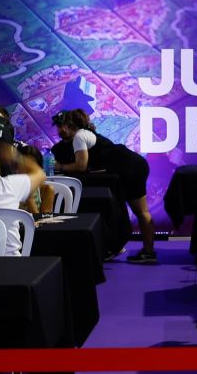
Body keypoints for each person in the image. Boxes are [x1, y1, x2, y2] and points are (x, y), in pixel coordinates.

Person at [54, 108, 158, 264]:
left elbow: (81, 166)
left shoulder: (80, 137)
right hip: (132, 166)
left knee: (141, 211)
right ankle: (138, 249)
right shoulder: (85, 135)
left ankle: (149, 252)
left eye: (61, 126)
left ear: (69, 125)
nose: (58, 131)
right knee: (138, 211)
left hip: (131, 168)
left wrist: (60, 167)